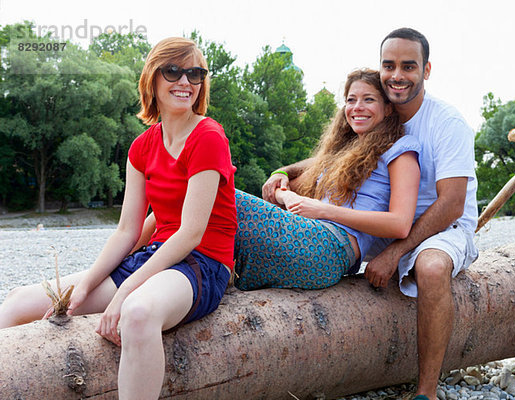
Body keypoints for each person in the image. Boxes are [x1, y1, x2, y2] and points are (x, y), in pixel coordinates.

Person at [0, 37, 237, 400]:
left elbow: (190, 234)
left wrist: (125, 292)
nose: (185, 81)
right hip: (154, 259)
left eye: (195, 72)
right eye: (173, 71)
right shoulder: (142, 147)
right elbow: (127, 230)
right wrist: (84, 285)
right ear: (152, 80)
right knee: (19, 302)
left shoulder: (208, 136)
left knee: (138, 313)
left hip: (202, 264)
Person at [264, 29, 478, 400]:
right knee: (287, 194)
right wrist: (283, 171)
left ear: (426, 71)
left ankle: (426, 390)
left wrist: (395, 251)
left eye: (408, 66)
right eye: (389, 65)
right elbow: (329, 161)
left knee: (430, 268)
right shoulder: (381, 113)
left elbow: (452, 204)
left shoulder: (446, 123)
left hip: (440, 226)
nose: (397, 74)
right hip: (389, 219)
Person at [234, 68, 421, 291]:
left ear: (388, 108)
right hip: (307, 236)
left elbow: (400, 224)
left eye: (368, 99)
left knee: (224, 196)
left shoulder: (401, 149)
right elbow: (295, 183)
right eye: (351, 100)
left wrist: (322, 211)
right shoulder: (345, 154)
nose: (357, 107)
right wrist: (283, 181)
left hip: (330, 248)